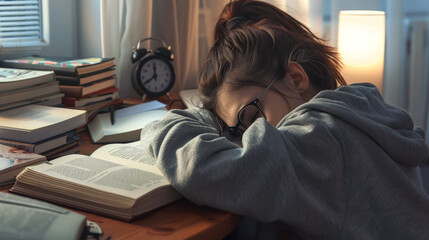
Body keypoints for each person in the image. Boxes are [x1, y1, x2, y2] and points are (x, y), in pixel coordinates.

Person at [139, 0, 429, 239]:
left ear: (295, 77)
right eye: (237, 133)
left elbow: (207, 172)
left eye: (252, 117)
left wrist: (161, 125)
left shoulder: (319, 133)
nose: (252, 136)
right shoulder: (358, 115)